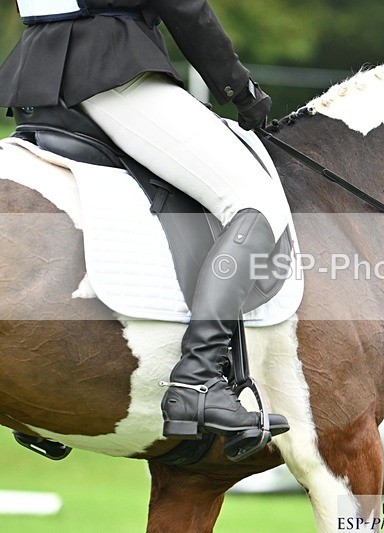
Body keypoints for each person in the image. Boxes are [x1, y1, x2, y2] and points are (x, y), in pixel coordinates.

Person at [0, 1, 289, 449]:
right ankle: (197, 380)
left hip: (35, 76)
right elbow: (185, 6)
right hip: (111, 68)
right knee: (256, 202)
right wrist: (240, 88)